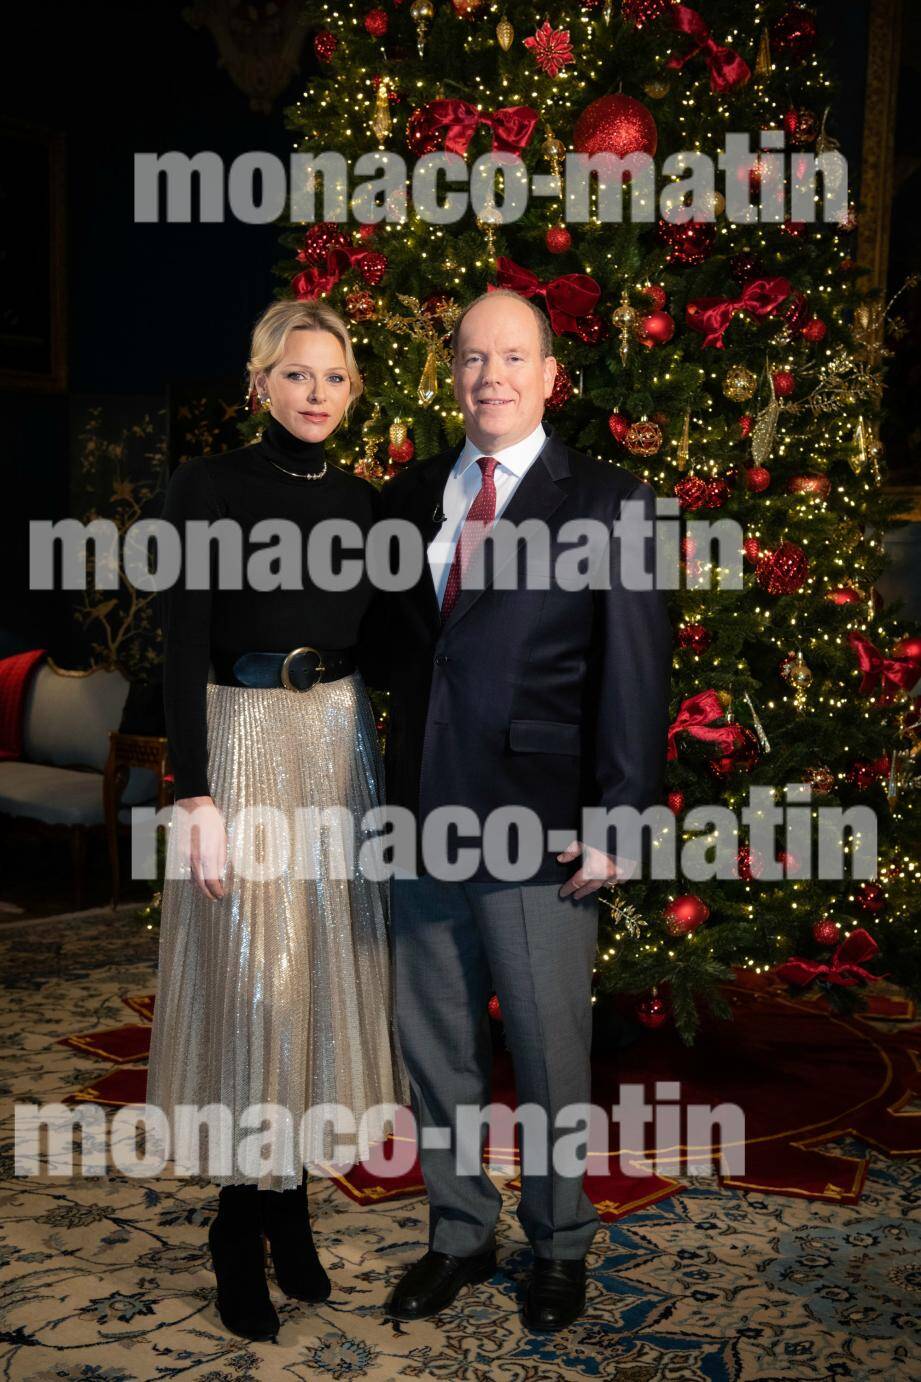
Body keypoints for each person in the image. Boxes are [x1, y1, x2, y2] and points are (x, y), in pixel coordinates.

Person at [375, 289, 672, 1332]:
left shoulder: (610, 501)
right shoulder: (408, 496)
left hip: (541, 822)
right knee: (436, 1046)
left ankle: (558, 1241)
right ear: (452, 374)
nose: (490, 374)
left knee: (549, 1051)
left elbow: (635, 672)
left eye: (512, 356)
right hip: (419, 816)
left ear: (551, 375)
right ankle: (459, 1230)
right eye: (471, 357)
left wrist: (621, 813)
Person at [145, 298, 407, 1343]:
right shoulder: (203, 490)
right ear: (259, 382)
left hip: (340, 746)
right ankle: (234, 1223)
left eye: (333, 378)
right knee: (262, 979)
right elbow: (175, 647)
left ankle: (289, 1195)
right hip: (242, 746)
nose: (315, 394)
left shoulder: (372, 504)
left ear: (351, 392)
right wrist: (193, 794)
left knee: (325, 979)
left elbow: (391, 648)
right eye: (296, 375)